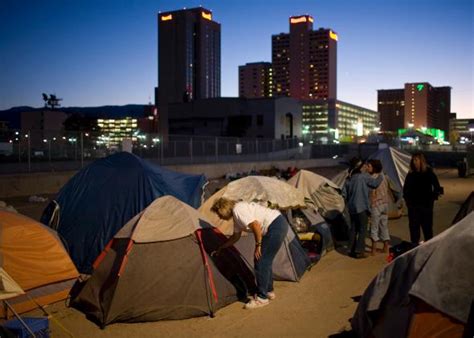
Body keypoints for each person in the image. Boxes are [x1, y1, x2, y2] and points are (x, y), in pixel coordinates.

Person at [210, 198, 289, 309]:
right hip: (277, 224)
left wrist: (258, 245)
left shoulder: (238, 210)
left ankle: (262, 299)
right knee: (265, 260)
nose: (219, 217)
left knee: (260, 260)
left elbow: (255, 225)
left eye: (218, 214)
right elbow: (235, 237)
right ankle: (268, 291)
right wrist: (221, 247)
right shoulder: (237, 216)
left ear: (222, 209)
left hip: (275, 226)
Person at [342, 157, 384, 259]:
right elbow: (375, 184)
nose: (365, 166)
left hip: (351, 208)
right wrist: (381, 175)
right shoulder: (363, 177)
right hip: (361, 208)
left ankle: (350, 249)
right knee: (362, 229)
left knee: (353, 229)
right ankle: (359, 251)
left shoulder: (349, 179)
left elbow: (344, 194)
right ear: (359, 167)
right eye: (364, 165)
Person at [403, 153, 442, 244]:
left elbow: (437, 186)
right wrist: (407, 201)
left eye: (416, 160)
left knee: (427, 227)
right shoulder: (411, 174)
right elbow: (406, 189)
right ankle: (415, 245)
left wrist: (432, 197)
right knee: (414, 227)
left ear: (421, 161)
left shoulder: (428, 172)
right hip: (413, 206)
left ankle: (429, 245)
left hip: (426, 206)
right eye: (413, 160)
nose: (414, 162)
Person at [367, 159, 390, 255]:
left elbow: (372, 194)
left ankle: (373, 249)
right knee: (384, 226)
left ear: (374, 167)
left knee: (374, 227)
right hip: (385, 204)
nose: (367, 168)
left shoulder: (372, 178)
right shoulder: (384, 177)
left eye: (369, 166)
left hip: (376, 205)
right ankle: (386, 248)